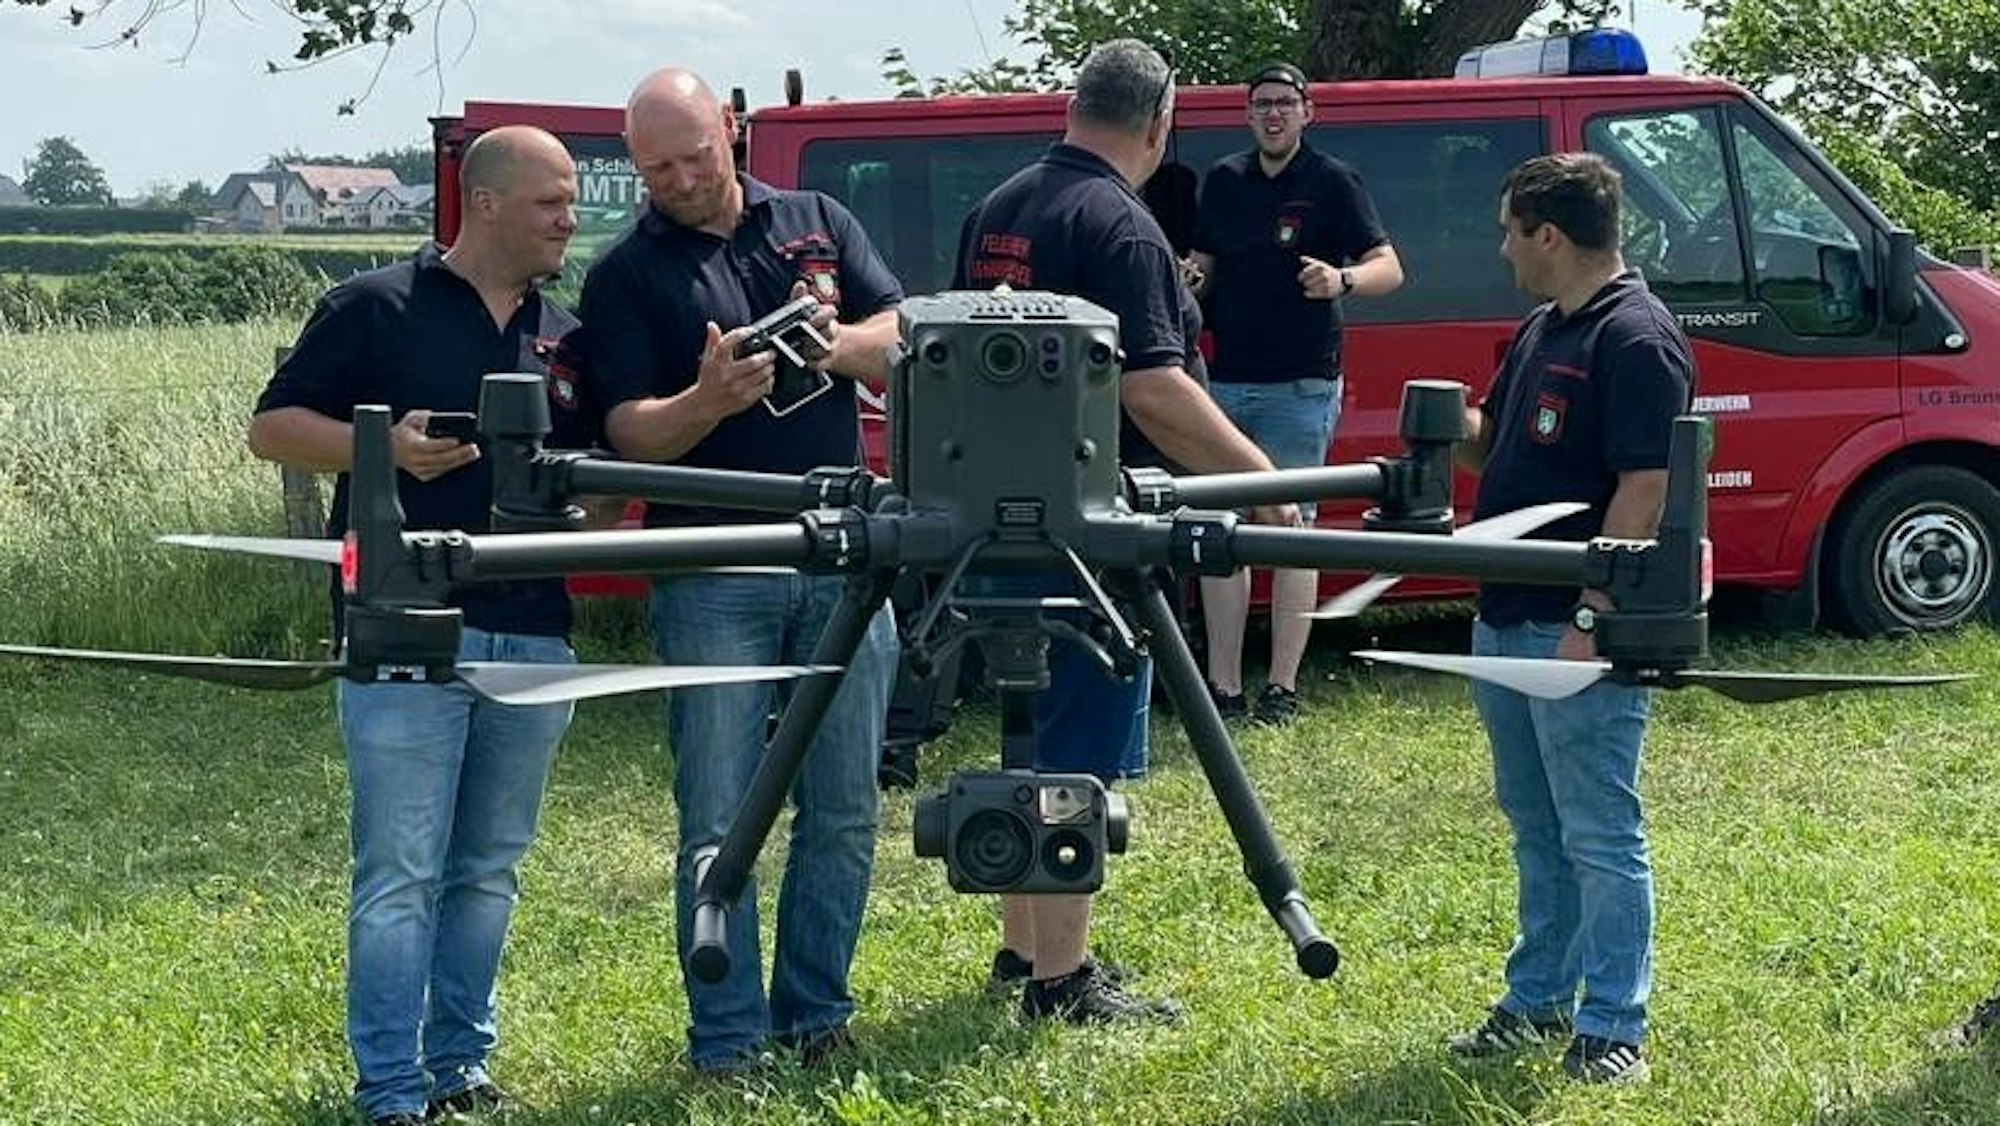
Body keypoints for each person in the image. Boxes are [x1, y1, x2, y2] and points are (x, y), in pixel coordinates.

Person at [953, 37, 1303, 1025]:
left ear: (1074, 106)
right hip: (1083, 531)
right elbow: (1154, 389)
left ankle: (1020, 953)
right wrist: (1264, 483)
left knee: (1026, 736)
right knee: (1078, 752)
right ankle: (1061, 980)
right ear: (1160, 123)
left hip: (988, 519)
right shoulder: (1124, 225)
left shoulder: (996, 211)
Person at [247, 125, 591, 1125]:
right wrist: (385, 448)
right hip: (402, 628)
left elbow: (593, 482)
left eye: (570, 201)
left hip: (534, 628)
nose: (569, 217)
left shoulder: (565, 336)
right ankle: (391, 1091)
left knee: (488, 866)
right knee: (401, 869)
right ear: (482, 203)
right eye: (550, 201)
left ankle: (460, 1068)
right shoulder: (373, 307)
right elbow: (272, 427)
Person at [576, 67, 901, 1074]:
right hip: (711, 563)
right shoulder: (626, 273)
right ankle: (725, 1038)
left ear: (731, 128)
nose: (677, 179)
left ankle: (815, 1012)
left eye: (694, 155)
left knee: (844, 803)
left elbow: (904, 337)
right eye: (655, 167)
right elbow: (624, 432)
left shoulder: (814, 218)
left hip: (843, 552)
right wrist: (708, 399)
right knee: (718, 817)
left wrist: (834, 342)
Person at [1445, 152, 1694, 1085]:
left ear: (1549, 234)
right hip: (1506, 613)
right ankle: (1537, 999)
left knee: (1598, 829)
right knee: (1535, 824)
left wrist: (1591, 617)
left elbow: (1646, 486)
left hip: (1576, 628)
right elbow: (1491, 456)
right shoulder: (1541, 329)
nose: (1502, 246)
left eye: (1511, 229)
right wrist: (1444, 428)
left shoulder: (1636, 338)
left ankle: (1613, 1021)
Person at [1185, 61, 1404, 727]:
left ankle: (1281, 688)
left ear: (1308, 112)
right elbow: (1205, 266)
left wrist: (1341, 281)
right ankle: (1223, 688)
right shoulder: (1224, 181)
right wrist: (1185, 277)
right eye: (1261, 105)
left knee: (1292, 530)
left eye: (1285, 102)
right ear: (1247, 116)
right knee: (1224, 532)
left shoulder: (1333, 181)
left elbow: (1389, 269)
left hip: (1302, 385)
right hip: (1225, 383)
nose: (1273, 114)